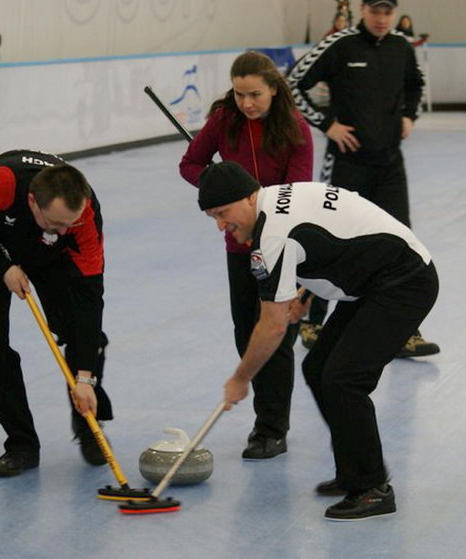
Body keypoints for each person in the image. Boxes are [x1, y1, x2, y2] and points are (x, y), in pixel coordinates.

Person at [197, 161, 439, 521]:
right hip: (378, 279)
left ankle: (372, 489)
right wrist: (306, 291)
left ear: (249, 197)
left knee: (343, 378)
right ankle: (353, 473)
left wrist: (241, 378)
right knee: (319, 366)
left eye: (223, 213)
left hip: (404, 282)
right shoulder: (275, 199)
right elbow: (333, 235)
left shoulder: (273, 235)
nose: (221, 226)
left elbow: (272, 326)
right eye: (212, 217)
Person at [179, 51, 314, 460]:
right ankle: (265, 416)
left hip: (283, 245)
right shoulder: (224, 120)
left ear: (274, 88)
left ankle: (271, 428)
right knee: (247, 332)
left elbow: (298, 194)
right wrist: (222, 188)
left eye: (255, 94)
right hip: (239, 247)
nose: (247, 103)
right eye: (239, 94)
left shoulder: (296, 129)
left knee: (278, 334)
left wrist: (260, 208)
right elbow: (190, 163)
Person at [287, 0, 439, 359]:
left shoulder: (402, 46)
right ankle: (313, 320)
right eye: (376, 11)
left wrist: (409, 116)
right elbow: (292, 83)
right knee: (330, 240)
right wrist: (327, 124)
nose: (383, 19)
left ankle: (404, 331)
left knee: (403, 245)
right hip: (346, 164)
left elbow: (415, 85)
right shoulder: (339, 45)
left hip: (389, 164)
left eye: (388, 12)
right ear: (363, 10)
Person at [0, 150, 113, 477]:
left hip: (51, 257)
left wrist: (84, 377)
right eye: (55, 222)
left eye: (71, 223)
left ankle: (87, 424)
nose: (65, 229)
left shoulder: (83, 218)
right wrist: (3, 268)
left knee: (84, 335)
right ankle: (21, 444)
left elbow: (90, 298)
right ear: (32, 202)